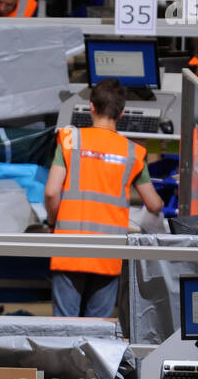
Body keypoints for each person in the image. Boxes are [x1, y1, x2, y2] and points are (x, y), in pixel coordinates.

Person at [45, 78, 164, 318]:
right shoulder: (132, 152)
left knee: (63, 330)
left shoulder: (70, 141)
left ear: (91, 107)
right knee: (97, 333)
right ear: (121, 113)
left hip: (69, 247)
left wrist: (52, 222)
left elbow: (50, 192)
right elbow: (153, 204)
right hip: (108, 252)